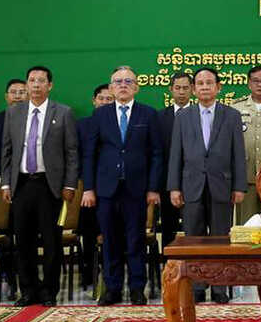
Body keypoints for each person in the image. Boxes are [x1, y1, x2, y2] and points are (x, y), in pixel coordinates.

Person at [0, 65, 79, 307]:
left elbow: (72, 152)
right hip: (22, 184)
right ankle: (28, 290)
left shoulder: (63, 112)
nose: (36, 85)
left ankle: (49, 291)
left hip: (50, 186)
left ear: (50, 85)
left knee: (51, 241)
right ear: (27, 84)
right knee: (23, 241)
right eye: (32, 80)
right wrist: (5, 184)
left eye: (41, 80)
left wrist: (70, 184)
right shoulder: (14, 113)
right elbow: (7, 150)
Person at [83, 66, 163, 306]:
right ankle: (113, 288)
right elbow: (90, 154)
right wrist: (88, 188)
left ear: (136, 87)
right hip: (106, 189)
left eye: (128, 81)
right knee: (110, 240)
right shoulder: (100, 115)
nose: (123, 85)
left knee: (135, 240)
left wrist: (153, 188)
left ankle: (137, 288)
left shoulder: (148, 114)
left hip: (136, 189)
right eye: (118, 82)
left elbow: (157, 154)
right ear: (111, 88)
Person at [168, 67, 247, 303]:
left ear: (218, 87)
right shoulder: (183, 117)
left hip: (222, 185)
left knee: (221, 238)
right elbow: (176, 154)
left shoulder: (231, 115)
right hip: (191, 186)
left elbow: (238, 154)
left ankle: (220, 288)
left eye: (209, 83)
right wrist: (174, 187)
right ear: (194, 89)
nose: (204, 87)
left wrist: (239, 186)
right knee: (194, 238)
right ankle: (197, 287)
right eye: (200, 83)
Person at [0, 78, 27, 299]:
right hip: (2, 186)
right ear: (6, 96)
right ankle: (4, 274)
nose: (18, 96)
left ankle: (23, 275)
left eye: (22, 92)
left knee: (23, 234)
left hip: (26, 185)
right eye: (14, 92)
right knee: (4, 234)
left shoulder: (34, 118)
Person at [76, 83, 113, 292]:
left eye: (109, 99)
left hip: (113, 186)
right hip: (88, 187)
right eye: (101, 98)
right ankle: (89, 272)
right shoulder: (82, 125)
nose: (105, 102)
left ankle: (111, 272)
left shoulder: (119, 123)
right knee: (88, 232)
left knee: (112, 232)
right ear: (94, 101)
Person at [233, 65, 261, 224]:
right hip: (245, 177)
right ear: (249, 84)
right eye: (255, 81)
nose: (260, 84)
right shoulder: (236, 108)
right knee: (246, 225)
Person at [157, 73, 193, 250]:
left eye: (185, 88)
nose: (181, 92)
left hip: (195, 182)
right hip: (167, 183)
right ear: (171, 89)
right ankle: (168, 263)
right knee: (168, 229)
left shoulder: (200, 114)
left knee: (194, 229)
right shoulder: (159, 118)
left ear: (192, 89)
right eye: (177, 88)